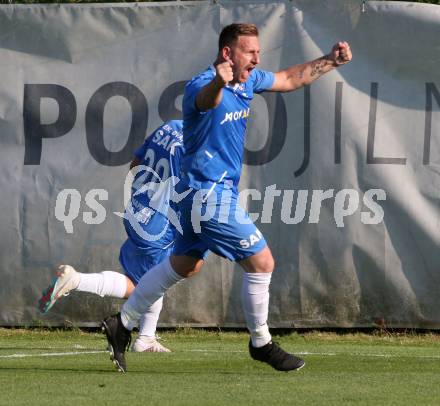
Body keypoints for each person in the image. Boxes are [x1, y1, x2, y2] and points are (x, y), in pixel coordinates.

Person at [102, 23, 352, 372]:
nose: (256, 58)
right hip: (208, 195)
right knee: (262, 263)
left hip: (193, 195)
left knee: (184, 264)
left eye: (257, 52)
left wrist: (330, 61)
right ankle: (261, 342)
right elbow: (207, 100)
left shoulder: (249, 80)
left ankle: (122, 324)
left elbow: (289, 79)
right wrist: (219, 81)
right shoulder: (200, 85)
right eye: (250, 52)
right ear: (227, 53)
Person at [38, 119, 185, 353]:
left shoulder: (171, 126)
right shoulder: (199, 145)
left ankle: (146, 337)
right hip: (158, 221)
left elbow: (135, 164)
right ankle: (76, 280)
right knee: (148, 285)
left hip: (139, 207)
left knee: (154, 277)